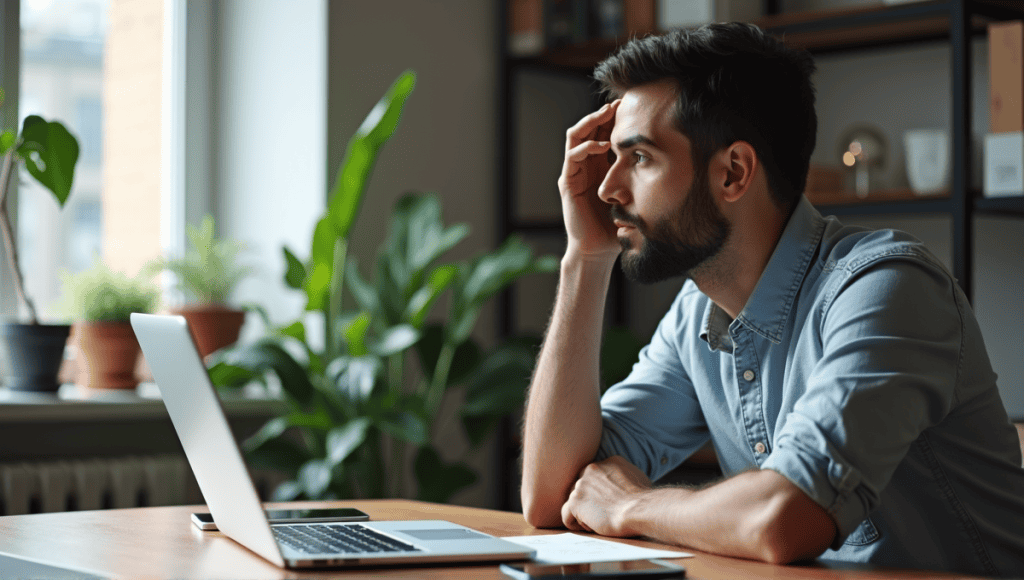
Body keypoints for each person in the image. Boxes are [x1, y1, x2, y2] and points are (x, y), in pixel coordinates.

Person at [519, 22, 1024, 576]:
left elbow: (785, 518)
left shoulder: (887, 288)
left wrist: (631, 505)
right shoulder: (696, 317)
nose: (607, 188)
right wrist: (584, 261)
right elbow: (554, 496)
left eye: (639, 157)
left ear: (733, 172)